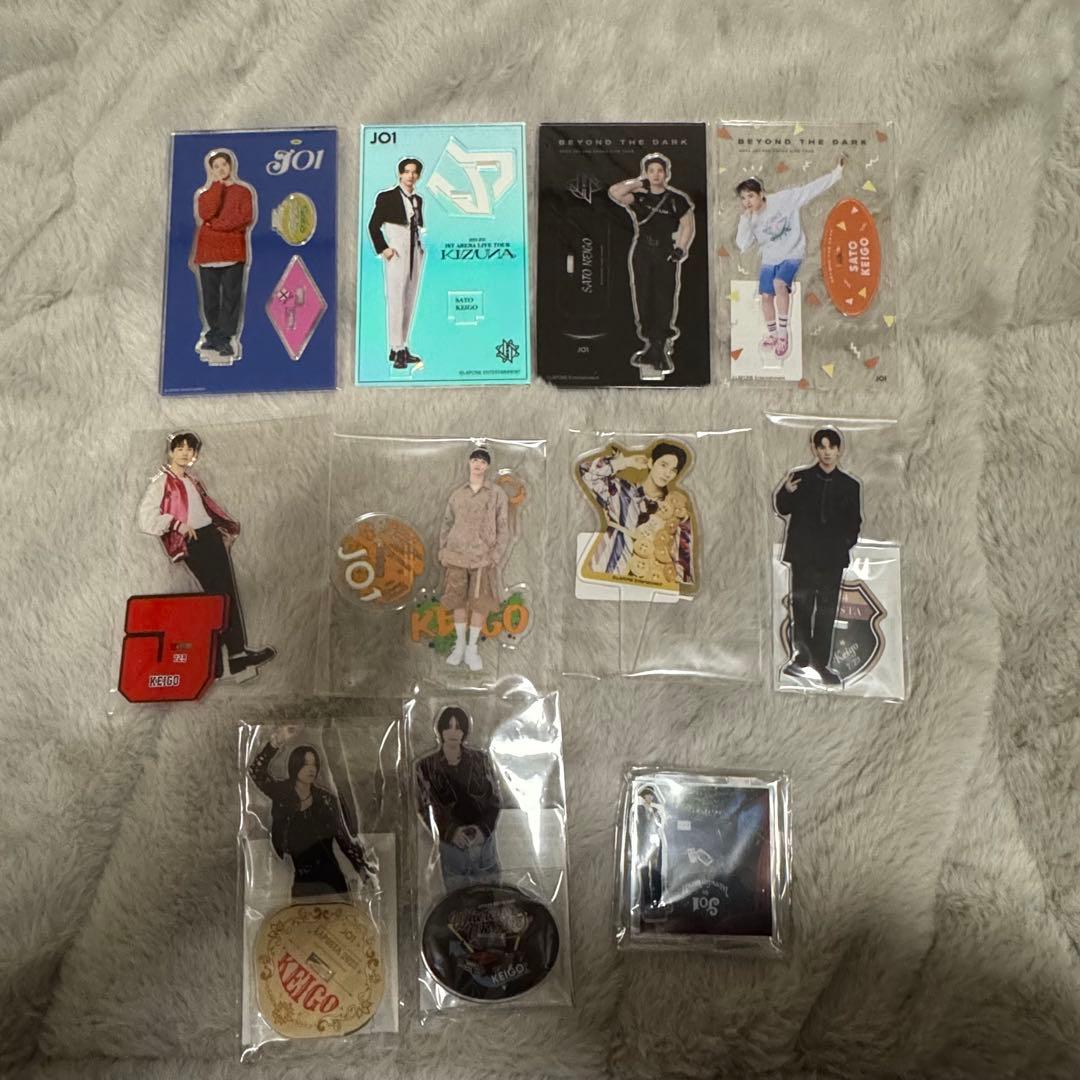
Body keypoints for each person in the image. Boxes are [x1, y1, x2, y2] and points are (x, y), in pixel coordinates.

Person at [137, 431, 275, 679]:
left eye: (190, 449)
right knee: (215, 597)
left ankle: (236, 657)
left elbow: (206, 507)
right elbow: (145, 518)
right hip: (193, 541)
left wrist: (222, 530)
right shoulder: (162, 483)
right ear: (171, 452)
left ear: (195, 454)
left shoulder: (192, 480)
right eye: (180, 448)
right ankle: (214, 660)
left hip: (210, 536)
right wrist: (176, 525)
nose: (185, 453)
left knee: (226, 594)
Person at [773, 427, 862, 686]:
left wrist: (842, 545)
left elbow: (854, 523)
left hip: (832, 560)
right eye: (821, 447)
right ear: (814, 449)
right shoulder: (800, 478)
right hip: (803, 557)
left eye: (831, 447)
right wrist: (786, 491)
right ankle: (801, 660)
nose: (826, 452)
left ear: (839, 450)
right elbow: (782, 508)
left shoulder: (850, 485)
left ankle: (821, 664)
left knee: (826, 611)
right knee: (801, 607)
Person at [734, 156, 845, 359]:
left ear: (761, 194)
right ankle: (773, 334)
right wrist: (746, 221)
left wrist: (835, 174)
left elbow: (810, 190)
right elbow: (742, 245)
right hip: (770, 259)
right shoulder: (749, 218)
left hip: (792, 253)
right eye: (743, 198)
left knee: (779, 284)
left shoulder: (783, 200)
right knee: (766, 297)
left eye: (750, 196)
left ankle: (783, 334)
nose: (747, 201)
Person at [249, 724, 373, 898]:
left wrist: (364, 872)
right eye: (305, 764)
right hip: (301, 880)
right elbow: (256, 771)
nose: (311, 769)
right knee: (301, 914)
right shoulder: (283, 794)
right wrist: (277, 741)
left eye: (314, 764)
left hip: (332, 880)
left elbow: (345, 840)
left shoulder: (326, 801)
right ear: (295, 765)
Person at [608, 154, 695, 382]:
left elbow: (687, 225)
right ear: (646, 173)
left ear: (667, 174)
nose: (656, 175)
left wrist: (680, 249)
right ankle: (651, 345)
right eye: (651, 171)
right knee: (643, 296)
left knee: (663, 297)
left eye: (660, 170)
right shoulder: (640, 197)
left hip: (665, 252)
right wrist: (639, 182)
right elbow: (615, 192)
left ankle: (660, 348)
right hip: (642, 252)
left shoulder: (676, 199)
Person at [578, 441, 694, 591]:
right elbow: (586, 472)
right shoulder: (620, 490)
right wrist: (626, 462)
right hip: (603, 572)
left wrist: (674, 590)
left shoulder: (673, 510)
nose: (667, 473)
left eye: (673, 470)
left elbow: (683, 558)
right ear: (651, 463)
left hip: (647, 584)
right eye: (663, 465)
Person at [438, 446, 510, 672]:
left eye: (482, 461)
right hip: (456, 556)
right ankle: (459, 645)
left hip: (482, 558)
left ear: (487, 466)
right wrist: (443, 551)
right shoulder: (457, 494)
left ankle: (472, 648)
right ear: (469, 463)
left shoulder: (496, 494)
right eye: (475, 460)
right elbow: (447, 522)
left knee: (480, 603)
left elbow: (503, 526)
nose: (478, 464)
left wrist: (495, 555)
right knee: (457, 600)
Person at [415, 707, 502, 890]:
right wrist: (451, 833)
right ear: (440, 730)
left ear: (464, 732)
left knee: (491, 897)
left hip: (484, 846)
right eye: (448, 727)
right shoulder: (426, 766)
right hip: (452, 848)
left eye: (458, 727)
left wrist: (483, 830)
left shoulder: (481, 760)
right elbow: (425, 807)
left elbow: (494, 800)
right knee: (457, 900)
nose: (453, 732)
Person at [191, 149, 255, 361]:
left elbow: (244, 218)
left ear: (231, 166)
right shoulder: (205, 195)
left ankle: (225, 338)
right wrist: (217, 186)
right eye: (216, 166)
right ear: (211, 170)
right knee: (210, 300)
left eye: (224, 165)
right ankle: (214, 334)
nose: (221, 169)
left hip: (233, 253)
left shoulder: (243, 192)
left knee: (231, 298)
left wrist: (215, 226)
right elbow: (206, 213)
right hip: (208, 254)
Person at [368, 157, 426, 370]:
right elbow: (373, 226)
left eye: (414, 172)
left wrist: (420, 249)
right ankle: (396, 346)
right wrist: (384, 249)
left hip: (415, 252)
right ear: (400, 174)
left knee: (410, 299)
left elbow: (417, 226)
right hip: (397, 251)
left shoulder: (418, 200)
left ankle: (402, 346)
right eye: (407, 171)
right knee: (396, 300)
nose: (411, 176)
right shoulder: (387, 197)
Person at [634, 786, 665, 920]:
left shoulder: (655, 811)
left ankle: (656, 900)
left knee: (656, 873)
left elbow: (660, 826)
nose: (650, 797)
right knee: (644, 874)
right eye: (647, 795)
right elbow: (639, 829)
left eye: (651, 795)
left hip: (656, 846)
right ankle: (646, 902)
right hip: (644, 846)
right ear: (643, 797)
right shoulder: (639, 810)